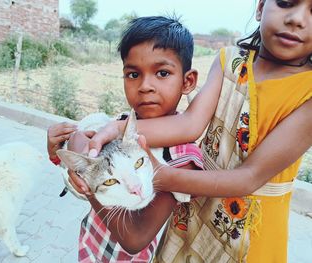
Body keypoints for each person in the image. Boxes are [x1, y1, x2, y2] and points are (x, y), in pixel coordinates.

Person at [68, 0, 312, 262]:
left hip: (252, 228)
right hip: (196, 211)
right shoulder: (230, 60)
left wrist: (159, 175)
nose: (297, 19)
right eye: (286, 2)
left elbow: (249, 178)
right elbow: (190, 124)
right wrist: (113, 129)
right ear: (261, 6)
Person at [47, 16, 204, 262]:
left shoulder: (182, 156)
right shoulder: (120, 124)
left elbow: (135, 239)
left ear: (187, 81)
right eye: (133, 74)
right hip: (92, 244)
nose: (145, 86)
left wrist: (90, 179)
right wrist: (60, 152)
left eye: (162, 73)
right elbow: (80, 168)